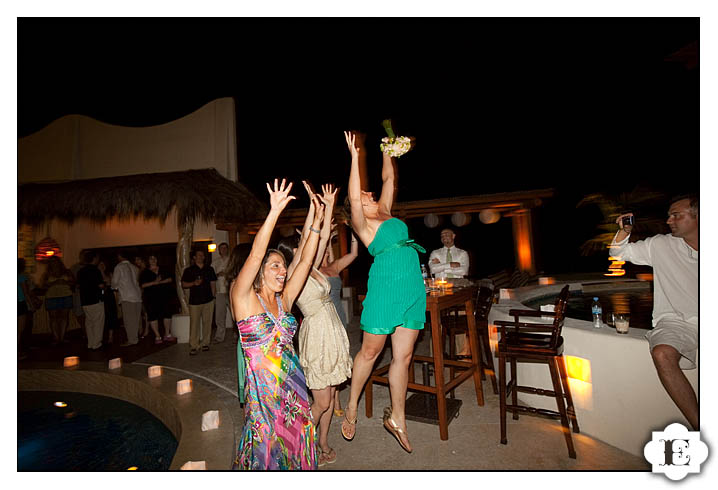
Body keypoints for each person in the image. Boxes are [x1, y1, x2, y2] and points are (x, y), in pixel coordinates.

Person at [340, 131, 426, 453]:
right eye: (363, 193)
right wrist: (353, 159)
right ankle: (351, 404)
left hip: (412, 288)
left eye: (368, 191)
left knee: (402, 356)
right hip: (385, 288)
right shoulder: (363, 224)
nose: (369, 192)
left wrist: (388, 150)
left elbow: (389, 176)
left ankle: (398, 418)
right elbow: (352, 191)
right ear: (356, 206)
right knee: (370, 353)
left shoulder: (386, 210)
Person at [230, 178, 323, 470]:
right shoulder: (243, 297)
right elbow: (257, 252)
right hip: (264, 396)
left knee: (297, 444)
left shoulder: (285, 300)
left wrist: (318, 221)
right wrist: (274, 212)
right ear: (260, 270)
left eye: (283, 266)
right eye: (276, 266)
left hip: (294, 386)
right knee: (266, 451)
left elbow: (305, 261)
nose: (283, 271)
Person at [278, 182, 352, 467]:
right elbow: (314, 240)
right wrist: (315, 211)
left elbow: (319, 242)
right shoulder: (294, 273)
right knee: (321, 401)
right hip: (317, 334)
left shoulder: (312, 268)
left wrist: (328, 206)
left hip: (332, 331)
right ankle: (299, 442)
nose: (305, 248)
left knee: (332, 395)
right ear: (290, 255)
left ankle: (322, 442)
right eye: (298, 248)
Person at [610, 194, 698, 430]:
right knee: (661, 353)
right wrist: (624, 230)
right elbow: (618, 253)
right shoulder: (662, 244)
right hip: (678, 323)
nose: (669, 220)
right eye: (669, 215)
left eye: (676, 215)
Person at [318, 227, 359, 417]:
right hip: (324, 319)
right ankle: (331, 398)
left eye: (327, 248)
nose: (326, 251)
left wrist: (355, 232)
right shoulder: (313, 271)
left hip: (339, 316)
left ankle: (337, 396)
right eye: (323, 248)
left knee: (342, 357)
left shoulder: (334, 267)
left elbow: (354, 253)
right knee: (328, 359)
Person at [181, 249, 217, 355]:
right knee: (194, 324)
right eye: (199, 255)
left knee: (207, 323)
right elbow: (183, 284)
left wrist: (213, 296)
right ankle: (194, 345)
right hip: (194, 301)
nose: (201, 256)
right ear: (194, 258)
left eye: (202, 255)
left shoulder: (209, 269)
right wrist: (193, 283)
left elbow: (213, 283)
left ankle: (205, 343)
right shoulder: (189, 270)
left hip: (208, 300)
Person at [139, 255, 176, 344]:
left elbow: (170, 279)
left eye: (154, 258)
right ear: (148, 261)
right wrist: (154, 283)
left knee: (167, 314)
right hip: (151, 298)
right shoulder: (145, 272)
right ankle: (157, 336)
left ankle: (167, 334)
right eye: (151, 258)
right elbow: (142, 285)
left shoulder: (164, 269)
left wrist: (160, 282)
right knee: (153, 316)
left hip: (165, 296)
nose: (153, 260)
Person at [112, 251, 143, 347]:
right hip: (137, 295)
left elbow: (114, 284)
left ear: (120, 256)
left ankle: (132, 340)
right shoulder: (135, 268)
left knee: (129, 320)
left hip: (127, 296)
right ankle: (135, 338)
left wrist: (115, 287)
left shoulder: (119, 267)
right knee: (136, 319)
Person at [41, 256, 75, 345]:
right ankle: (56, 338)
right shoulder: (47, 274)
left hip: (66, 296)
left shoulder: (67, 272)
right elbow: (43, 286)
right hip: (52, 297)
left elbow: (73, 282)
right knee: (53, 318)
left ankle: (62, 337)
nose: (54, 263)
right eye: (52, 261)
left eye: (55, 261)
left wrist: (65, 282)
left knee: (64, 317)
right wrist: (53, 283)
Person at [76, 251, 106, 350]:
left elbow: (78, 285)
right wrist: (102, 293)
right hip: (96, 299)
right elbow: (101, 286)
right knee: (98, 322)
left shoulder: (80, 271)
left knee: (89, 322)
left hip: (85, 300)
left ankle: (90, 343)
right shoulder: (95, 271)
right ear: (94, 258)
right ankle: (97, 343)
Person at [211, 242, 234, 343]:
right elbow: (210, 277)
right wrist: (217, 274)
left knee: (234, 315)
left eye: (225, 248)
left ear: (228, 249)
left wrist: (228, 274)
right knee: (219, 315)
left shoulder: (232, 260)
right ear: (219, 250)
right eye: (222, 248)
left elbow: (237, 273)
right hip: (219, 291)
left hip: (231, 291)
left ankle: (237, 336)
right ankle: (219, 337)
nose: (223, 250)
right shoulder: (215, 262)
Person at [18, 258, 37, 360]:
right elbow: (26, 292)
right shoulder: (21, 277)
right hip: (20, 303)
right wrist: (32, 305)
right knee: (19, 330)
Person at [98, 260, 120, 345]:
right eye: (100, 264)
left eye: (103, 264)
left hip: (109, 297)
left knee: (110, 315)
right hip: (101, 297)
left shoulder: (109, 274)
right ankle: (101, 336)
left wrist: (102, 272)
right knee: (102, 316)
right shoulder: (96, 274)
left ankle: (111, 336)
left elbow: (109, 283)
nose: (102, 266)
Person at [70, 250, 87, 341]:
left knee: (88, 314)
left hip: (88, 294)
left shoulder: (90, 267)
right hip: (78, 294)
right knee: (79, 314)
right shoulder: (74, 268)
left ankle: (88, 333)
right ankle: (85, 332)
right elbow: (71, 281)